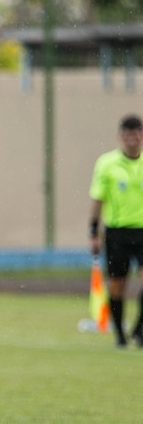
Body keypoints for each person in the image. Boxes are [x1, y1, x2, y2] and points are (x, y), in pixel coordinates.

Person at [89, 114, 143, 348]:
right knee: (117, 286)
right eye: (128, 134)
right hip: (117, 233)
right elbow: (97, 200)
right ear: (121, 137)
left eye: (137, 133)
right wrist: (93, 231)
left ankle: (139, 329)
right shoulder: (107, 163)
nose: (133, 139)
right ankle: (120, 334)